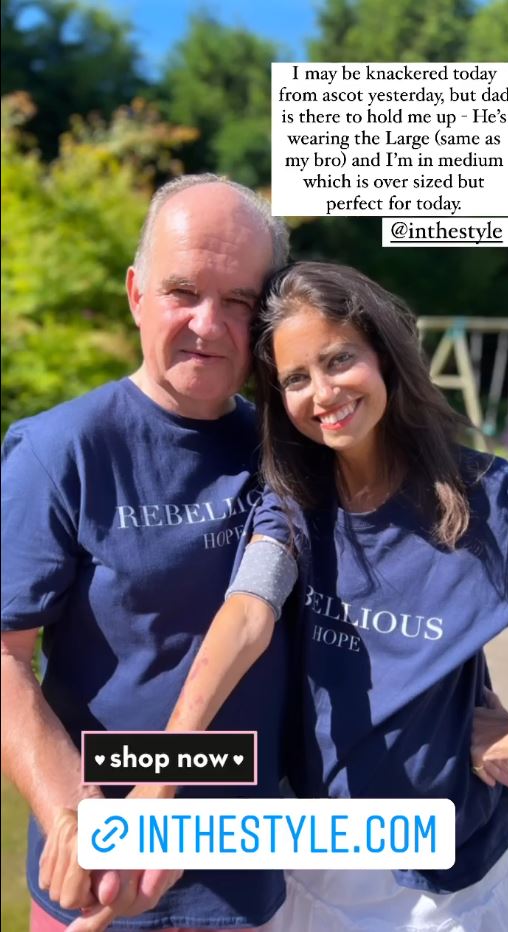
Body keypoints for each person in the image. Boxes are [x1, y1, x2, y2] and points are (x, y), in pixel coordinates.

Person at [55, 260, 508, 931]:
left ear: (383, 353)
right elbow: (247, 614)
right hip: (305, 861)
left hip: (445, 888)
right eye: (296, 379)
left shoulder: (492, 502)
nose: (323, 392)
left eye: (338, 360)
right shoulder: (294, 501)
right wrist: (153, 794)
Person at [1, 174, 291, 932]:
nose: (209, 323)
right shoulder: (59, 452)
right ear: (135, 293)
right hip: (98, 880)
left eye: (240, 301)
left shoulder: (290, 448)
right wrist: (78, 815)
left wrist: (477, 705)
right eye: (181, 291)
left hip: (251, 880)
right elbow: (5, 655)